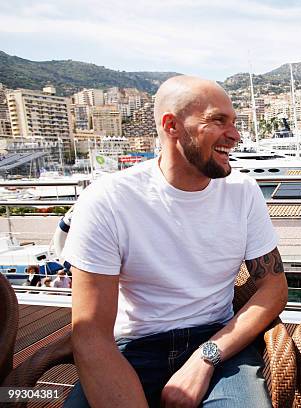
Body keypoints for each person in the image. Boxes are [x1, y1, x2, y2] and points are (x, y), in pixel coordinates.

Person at [62, 76, 288, 408]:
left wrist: (205, 357)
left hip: (217, 342)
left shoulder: (243, 192)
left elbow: (274, 288)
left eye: (234, 122)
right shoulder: (109, 199)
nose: (236, 135)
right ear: (172, 126)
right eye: (217, 120)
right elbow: (91, 333)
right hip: (132, 348)